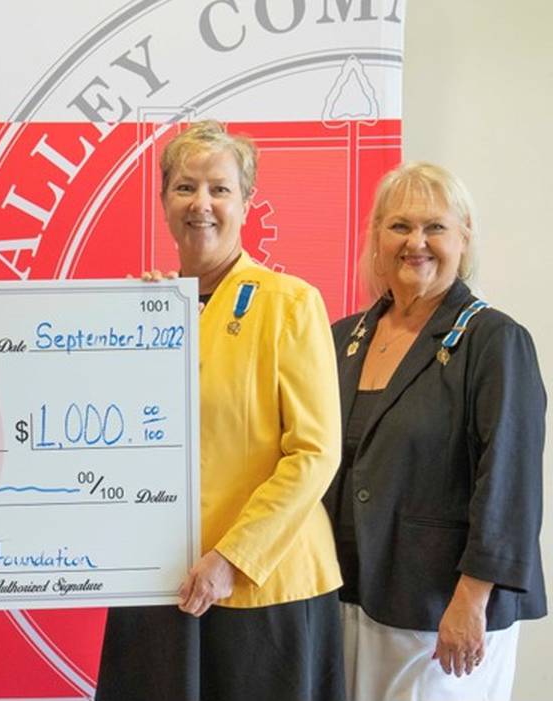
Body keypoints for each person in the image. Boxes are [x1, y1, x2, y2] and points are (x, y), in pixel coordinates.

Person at [96, 120, 345, 701]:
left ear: (246, 202)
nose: (201, 204)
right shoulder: (145, 311)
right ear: (162, 202)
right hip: (159, 584)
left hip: (262, 590)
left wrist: (233, 558)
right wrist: (138, 334)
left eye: (219, 189)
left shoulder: (291, 304)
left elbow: (314, 453)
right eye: (185, 187)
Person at [325, 162, 546, 700]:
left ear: (463, 238)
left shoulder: (495, 341)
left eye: (435, 227)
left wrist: (472, 598)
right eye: (399, 226)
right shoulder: (340, 338)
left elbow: (509, 481)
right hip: (345, 597)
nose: (415, 243)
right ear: (377, 236)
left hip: (440, 611)